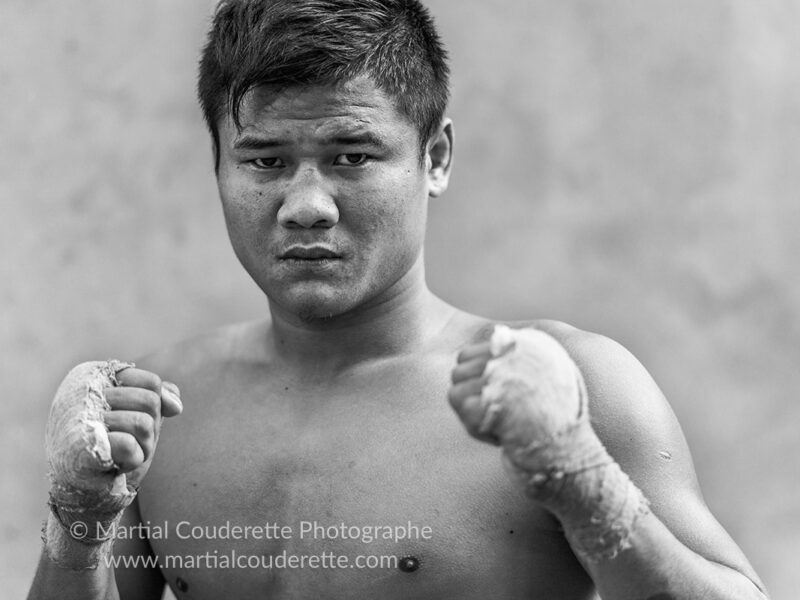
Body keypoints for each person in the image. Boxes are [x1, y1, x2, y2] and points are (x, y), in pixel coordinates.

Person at [29, 1, 769, 598]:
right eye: (265, 160)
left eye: (352, 156)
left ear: (435, 157)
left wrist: (583, 483)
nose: (306, 204)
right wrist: (76, 528)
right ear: (219, 165)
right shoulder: (161, 411)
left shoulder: (574, 388)